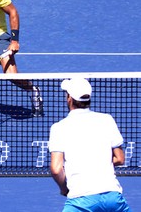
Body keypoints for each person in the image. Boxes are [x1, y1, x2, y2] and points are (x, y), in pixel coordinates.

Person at [49, 77, 131, 212]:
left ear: (69, 98)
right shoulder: (107, 120)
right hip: (112, 198)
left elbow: (56, 169)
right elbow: (120, 159)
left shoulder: (59, 128)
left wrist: (64, 189)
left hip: (81, 201)